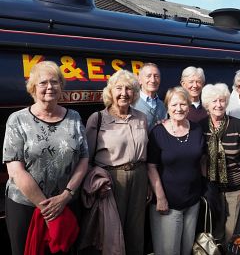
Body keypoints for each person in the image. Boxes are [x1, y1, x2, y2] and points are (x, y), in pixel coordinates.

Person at [3, 61, 89, 255]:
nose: (50, 87)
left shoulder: (74, 117)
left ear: (61, 87)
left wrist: (66, 196)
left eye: (55, 82)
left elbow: (84, 158)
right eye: (43, 83)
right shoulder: (17, 120)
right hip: (25, 207)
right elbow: (15, 170)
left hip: (66, 204)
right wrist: (48, 208)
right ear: (33, 87)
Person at [85, 69, 148, 255]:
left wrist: (149, 184)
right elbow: (86, 158)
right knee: (112, 232)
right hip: (111, 180)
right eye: (119, 88)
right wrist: (97, 183)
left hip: (140, 176)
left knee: (136, 231)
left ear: (135, 93)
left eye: (129, 89)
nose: (124, 93)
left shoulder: (142, 118)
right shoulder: (98, 119)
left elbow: (147, 152)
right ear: (110, 92)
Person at [147, 86, 205, 255]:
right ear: (167, 107)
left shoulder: (196, 129)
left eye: (183, 104)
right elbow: (151, 166)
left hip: (193, 201)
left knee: (186, 250)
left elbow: (202, 160)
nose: (179, 109)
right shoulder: (157, 132)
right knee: (168, 251)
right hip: (168, 203)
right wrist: (160, 198)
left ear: (188, 106)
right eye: (174, 105)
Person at [200, 83, 240, 246]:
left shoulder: (237, 124)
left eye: (222, 101)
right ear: (207, 105)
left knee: (232, 233)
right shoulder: (200, 127)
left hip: (235, 189)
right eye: (214, 101)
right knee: (214, 231)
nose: (219, 105)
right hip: (211, 189)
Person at [133, 62, 167, 130]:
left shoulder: (164, 106)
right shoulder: (131, 104)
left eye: (156, 76)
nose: (153, 80)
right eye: (148, 76)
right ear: (139, 80)